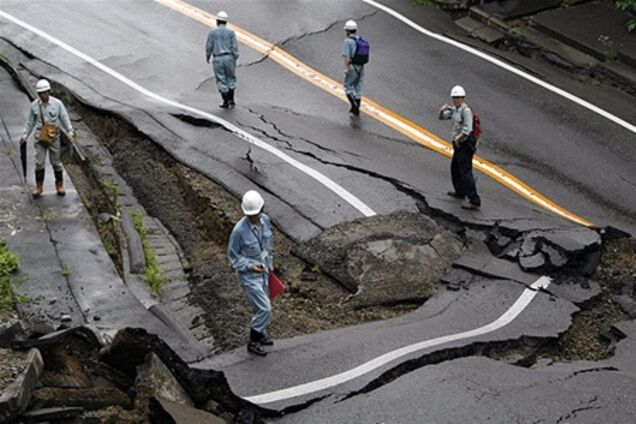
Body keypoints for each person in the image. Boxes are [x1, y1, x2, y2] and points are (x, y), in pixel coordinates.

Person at [227, 190, 274, 356]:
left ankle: (260, 335)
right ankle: (253, 341)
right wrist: (249, 266)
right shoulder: (239, 231)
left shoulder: (265, 221)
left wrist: (270, 263)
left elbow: (268, 244)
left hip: (264, 272)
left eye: (257, 214)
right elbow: (233, 256)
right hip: (249, 277)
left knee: (259, 307)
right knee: (265, 308)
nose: (255, 217)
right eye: (251, 215)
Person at [20, 79, 75, 198]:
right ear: (38, 94)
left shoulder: (57, 104)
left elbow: (64, 118)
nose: (44, 95)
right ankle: (39, 187)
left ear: (49, 91)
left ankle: (59, 185)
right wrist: (25, 135)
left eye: (46, 92)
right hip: (40, 137)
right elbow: (30, 122)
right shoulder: (34, 106)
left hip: (54, 136)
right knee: (39, 163)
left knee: (56, 162)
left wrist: (70, 132)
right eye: (41, 93)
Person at [438, 85, 481, 210]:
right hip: (457, 145)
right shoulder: (455, 110)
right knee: (455, 169)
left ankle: (474, 200)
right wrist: (442, 110)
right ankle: (460, 191)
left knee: (466, 172)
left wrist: (458, 139)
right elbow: (442, 117)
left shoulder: (465, 111)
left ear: (463, 98)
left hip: (464, 146)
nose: (456, 99)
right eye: (454, 97)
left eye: (458, 97)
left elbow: (468, 129)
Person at [205, 11, 240, 109]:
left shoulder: (212, 33)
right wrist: (234, 58)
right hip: (229, 57)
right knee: (231, 78)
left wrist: (208, 56)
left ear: (217, 21)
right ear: (226, 22)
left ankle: (225, 101)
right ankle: (232, 100)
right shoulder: (231, 32)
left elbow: (209, 46)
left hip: (218, 58)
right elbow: (235, 47)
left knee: (221, 79)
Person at [341, 20, 366, 115]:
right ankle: (356, 108)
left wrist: (346, 68)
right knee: (358, 87)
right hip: (361, 66)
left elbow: (347, 56)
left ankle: (354, 105)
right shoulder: (360, 39)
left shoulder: (347, 41)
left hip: (352, 66)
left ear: (347, 31)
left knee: (347, 86)